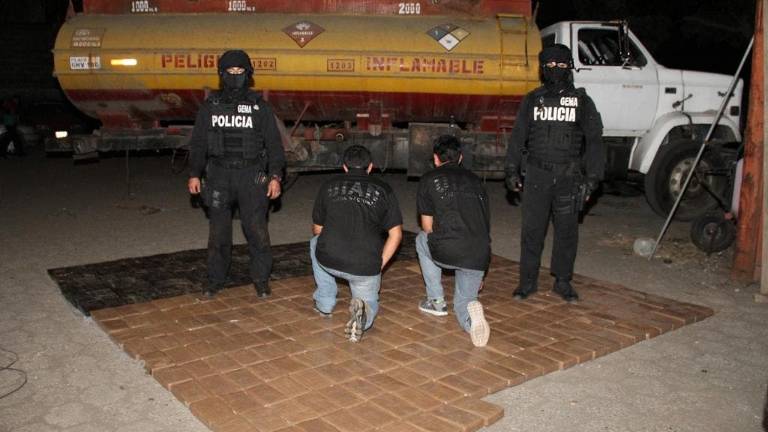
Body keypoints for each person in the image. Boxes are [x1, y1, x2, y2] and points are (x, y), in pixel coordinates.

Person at [505, 43, 604, 303]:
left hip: (569, 177)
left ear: (569, 67)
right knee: (532, 231)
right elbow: (518, 136)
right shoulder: (533, 99)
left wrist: (593, 178)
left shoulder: (582, 102)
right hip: (537, 174)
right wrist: (511, 169)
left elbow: (595, 141)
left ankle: (562, 281)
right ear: (542, 68)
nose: (555, 69)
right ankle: (527, 282)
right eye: (549, 64)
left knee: (567, 231)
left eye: (560, 64)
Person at [187, 49, 286, 299]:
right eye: (230, 71)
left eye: (240, 71)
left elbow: (274, 145)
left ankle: (261, 280)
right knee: (218, 234)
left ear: (248, 74)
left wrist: (275, 176)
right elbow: (198, 143)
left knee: (257, 231)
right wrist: (194, 173)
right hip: (219, 175)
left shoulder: (259, 107)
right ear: (221, 74)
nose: (235, 75)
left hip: (251, 175)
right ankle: (215, 279)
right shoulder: (210, 106)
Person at [310, 145, 403, 343]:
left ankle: (325, 302)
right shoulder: (384, 189)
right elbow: (396, 235)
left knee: (315, 242)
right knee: (369, 301)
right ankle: (363, 315)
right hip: (364, 265)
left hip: (329, 259)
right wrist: (379, 264)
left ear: (344, 167)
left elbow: (318, 229)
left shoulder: (329, 185)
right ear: (370, 167)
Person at [415, 135, 491, 347]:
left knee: (421, 240)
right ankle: (471, 322)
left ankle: (436, 301)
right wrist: (481, 269)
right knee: (464, 303)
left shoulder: (429, 179)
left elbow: (427, 227)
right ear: (460, 157)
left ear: (435, 158)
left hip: (448, 248)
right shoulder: (476, 181)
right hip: (478, 253)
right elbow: (484, 225)